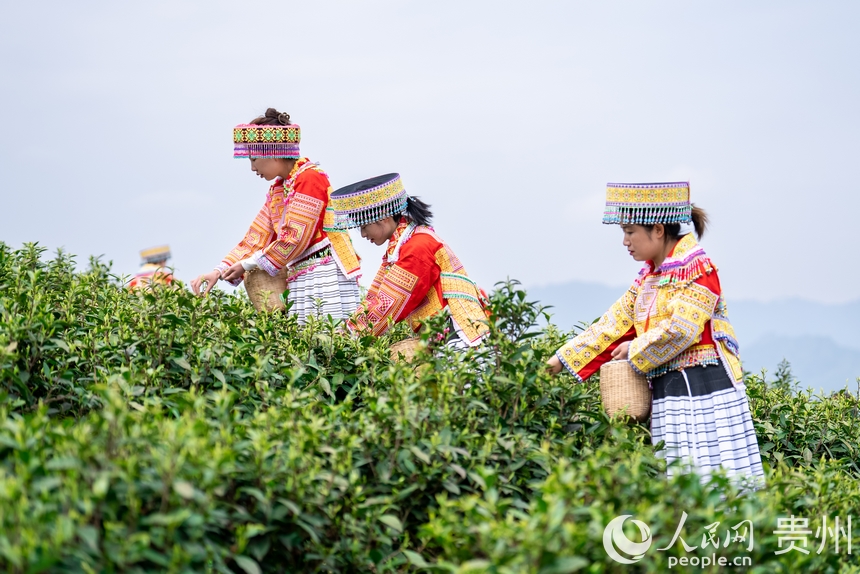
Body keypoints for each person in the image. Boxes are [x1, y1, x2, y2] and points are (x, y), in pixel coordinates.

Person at [547, 181, 764, 488]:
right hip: (669, 393)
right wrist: (557, 361)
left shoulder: (697, 268)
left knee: (717, 478)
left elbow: (682, 330)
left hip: (706, 389)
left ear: (658, 230)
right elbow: (611, 325)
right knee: (682, 483)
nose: (625, 241)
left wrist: (634, 349)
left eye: (630, 231)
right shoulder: (648, 278)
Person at [190, 109, 361, 322]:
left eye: (254, 159)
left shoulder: (310, 178)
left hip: (326, 276)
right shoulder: (279, 189)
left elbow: (294, 238)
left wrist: (247, 264)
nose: (252, 167)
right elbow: (256, 237)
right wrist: (219, 270)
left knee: (330, 335)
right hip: (301, 276)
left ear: (272, 152)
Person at [329, 173, 489, 350]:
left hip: (459, 333)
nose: (363, 234)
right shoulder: (402, 245)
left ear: (382, 217)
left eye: (364, 226)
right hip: (444, 331)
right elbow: (375, 296)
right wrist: (347, 330)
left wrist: (348, 338)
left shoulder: (417, 247)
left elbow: (388, 304)